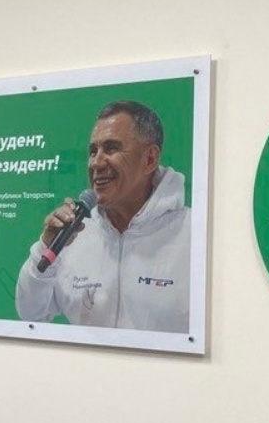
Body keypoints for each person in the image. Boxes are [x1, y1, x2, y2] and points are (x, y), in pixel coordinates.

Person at [15, 99, 191, 333]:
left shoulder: (194, 235)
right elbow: (30, 312)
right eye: (93, 151)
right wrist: (45, 248)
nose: (96, 163)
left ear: (149, 159)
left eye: (111, 148)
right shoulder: (74, 235)